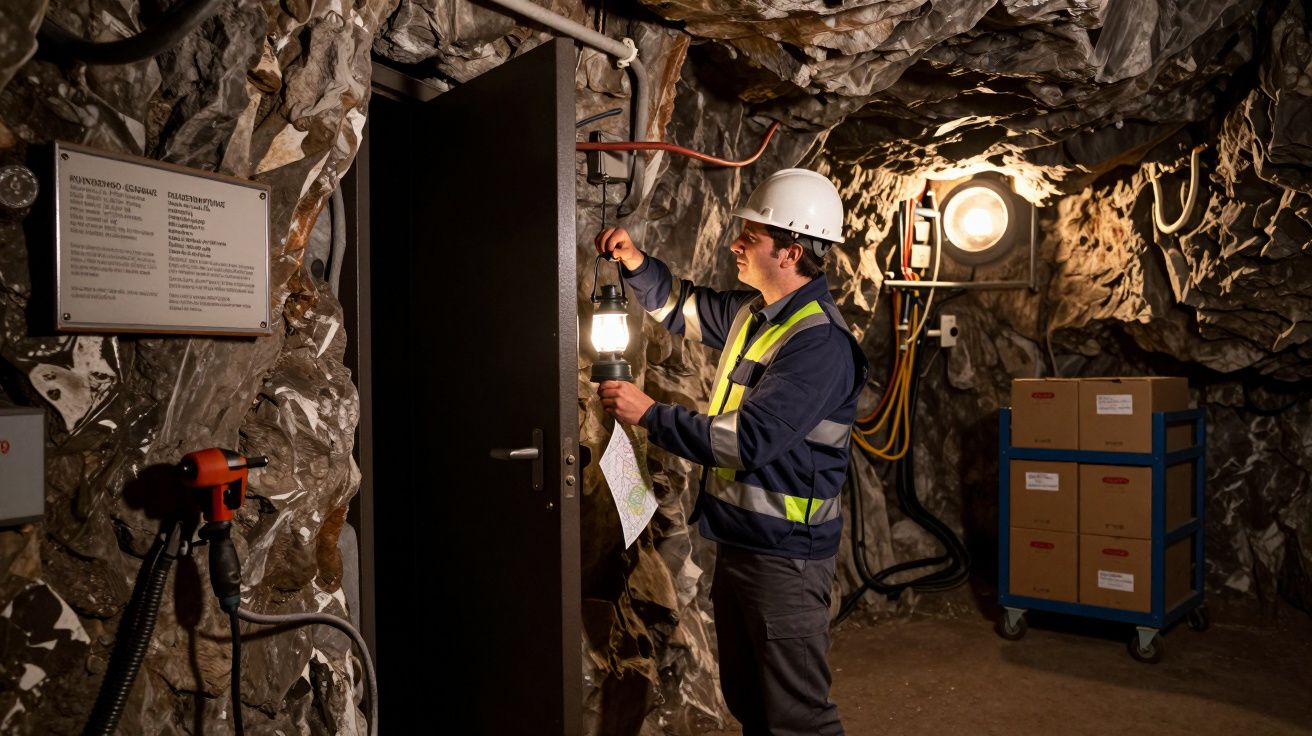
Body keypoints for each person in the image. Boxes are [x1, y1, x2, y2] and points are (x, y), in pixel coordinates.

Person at [595, 168, 868, 736]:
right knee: (753, 704)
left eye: (751, 236)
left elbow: (750, 439)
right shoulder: (759, 315)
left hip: (786, 559)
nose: (734, 243)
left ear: (791, 251)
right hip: (743, 545)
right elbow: (683, 307)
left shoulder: (818, 343)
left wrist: (650, 415)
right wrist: (636, 263)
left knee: (798, 717)